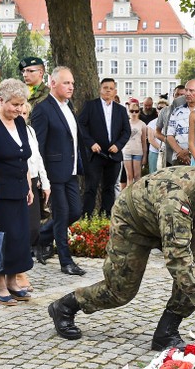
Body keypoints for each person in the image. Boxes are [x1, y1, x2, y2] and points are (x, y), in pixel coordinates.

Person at [47, 156, 195, 349]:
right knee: (120, 291)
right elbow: (177, 256)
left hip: (168, 221)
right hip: (133, 220)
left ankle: (166, 333)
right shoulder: (177, 198)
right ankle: (65, 306)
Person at [31, 66, 85, 276]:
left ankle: (41, 237)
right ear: (53, 83)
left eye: (72, 83)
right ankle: (66, 261)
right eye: (66, 83)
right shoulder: (42, 109)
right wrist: (41, 177)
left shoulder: (68, 106)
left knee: (75, 211)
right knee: (62, 215)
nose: (71, 87)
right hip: (53, 172)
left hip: (70, 171)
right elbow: (39, 146)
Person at [0, 79, 34, 305]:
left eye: (21, 105)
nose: (18, 109)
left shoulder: (20, 123)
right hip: (0, 191)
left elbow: (23, 156)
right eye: (14, 104)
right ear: (1, 99)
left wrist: (29, 185)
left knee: (19, 237)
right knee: (3, 238)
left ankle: (14, 282)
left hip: (20, 187)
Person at [77, 78, 130, 217]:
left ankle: (106, 216)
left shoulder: (121, 110)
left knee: (109, 188)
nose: (108, 90)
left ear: (115, 91)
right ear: (100, 89)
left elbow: (126, 131)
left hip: (113, 156)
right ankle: (86, 216)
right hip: (95, 155)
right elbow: (80, 125)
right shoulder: (90, 106)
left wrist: (118, 146)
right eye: (105, 87)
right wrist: (91, 143)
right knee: (91, 187)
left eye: (111, 88)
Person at [18, 101, 50, 284]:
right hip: (20, 180)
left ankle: (23, 261)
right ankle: (20, 270)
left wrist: (45, 183)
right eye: (19, 112)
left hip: (34, 180)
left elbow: (37, 157)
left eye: (25, 113)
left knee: (34, 227)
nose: (22, 115)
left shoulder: (30, 130)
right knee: (22, 227)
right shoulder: (13, 131)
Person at [165, 79, 195, 166]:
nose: (187, 93)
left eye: (191, 90)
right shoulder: (176, 111)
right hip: (179, 158)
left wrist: (188, 151)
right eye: (186, 90)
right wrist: (180, 152)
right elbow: (169, 135)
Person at [122, 99, 148, 187]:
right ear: (128, 111)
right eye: (131, 111)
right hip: (127, 151)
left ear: (139, 112)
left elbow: (144, 141)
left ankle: (137, 196)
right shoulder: (125, 123)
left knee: (137, 176)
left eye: (136, 111)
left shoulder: (142, 124)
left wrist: (144, 156)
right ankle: (129, 197)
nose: (134, 113)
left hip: (138, 152)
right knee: (129, 176)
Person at [146, 98, 169, 173]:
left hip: (168, 154)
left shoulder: (171, 123)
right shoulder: (151, 123)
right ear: (156, 110)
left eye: (164, 108)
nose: (161, 110)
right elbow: (151, 139)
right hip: (155, 152)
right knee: (153, 174)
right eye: (159, 108)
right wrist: (161, 149)